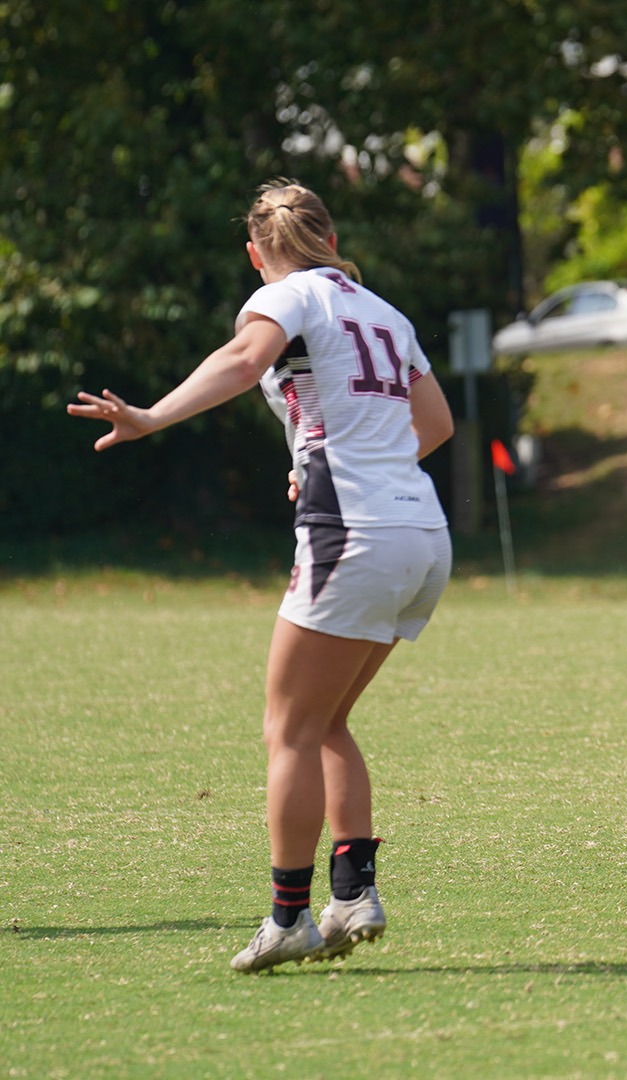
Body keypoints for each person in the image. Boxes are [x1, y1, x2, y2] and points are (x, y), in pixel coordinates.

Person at [69, 181, 454, 972]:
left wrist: (148, 417)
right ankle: (352, 895)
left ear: (257, 253)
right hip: (423, 533)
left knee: (288, 729)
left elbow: (245, 360)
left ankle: (289, 917)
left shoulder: (286, 297)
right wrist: (359, 466)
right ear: (330, 235)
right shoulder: (383, 310)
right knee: (327, 722)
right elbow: (437, 425)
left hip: (355, 531)